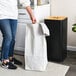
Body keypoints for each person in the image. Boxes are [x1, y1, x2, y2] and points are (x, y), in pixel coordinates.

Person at [0, 0, 36, 70]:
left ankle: (10, 58)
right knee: (8, 37)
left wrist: (32, 15)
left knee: (13, 38)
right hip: (2, 15)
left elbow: (24, 1)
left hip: (13, 16)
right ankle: (4, 61)